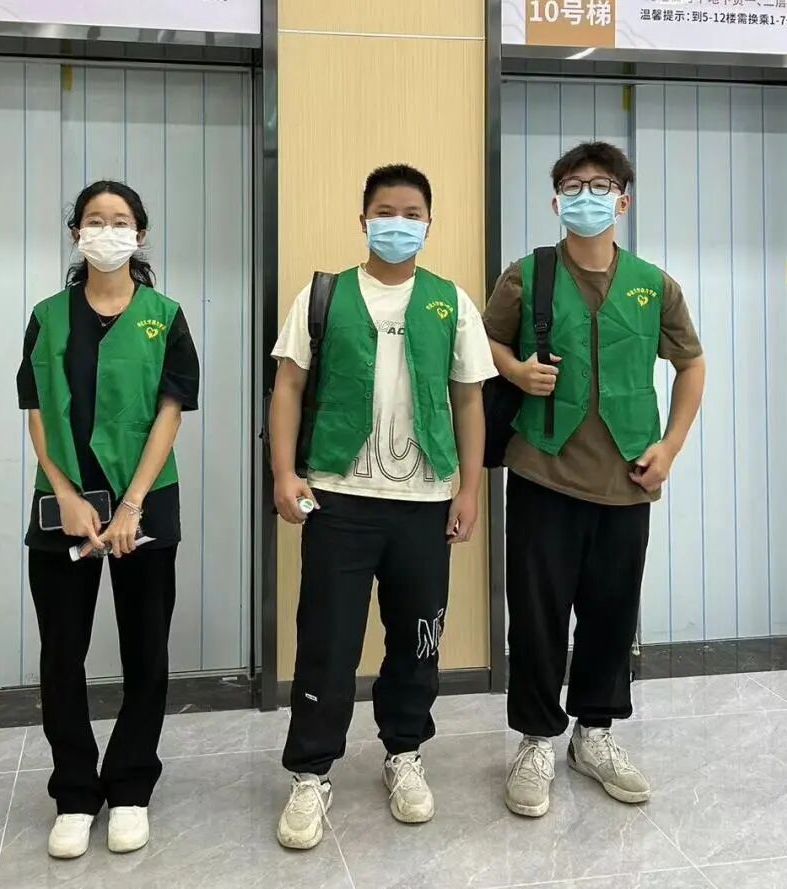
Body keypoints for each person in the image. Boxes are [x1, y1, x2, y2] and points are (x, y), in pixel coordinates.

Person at [270, 164, 496, 850]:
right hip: (337, 498)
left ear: (429, 224)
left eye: (412, 213)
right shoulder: (324, 294)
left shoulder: (450, 301)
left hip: (424, 502)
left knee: (417, 638)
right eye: (385, 212)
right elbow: (288, 387)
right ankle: (311, 771)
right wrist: (283, 472)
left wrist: (469, 489)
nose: (398, 223)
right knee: (327, 639)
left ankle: (404, 752)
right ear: (363, 219)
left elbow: (469, 400)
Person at [484, 142, 705, 817]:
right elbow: (485, 343)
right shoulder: (528, 275)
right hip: (543, 470)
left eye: (600, 185)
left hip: (626, 476)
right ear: (556, 201)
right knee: (538, 614)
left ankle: (595, 734)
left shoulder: (654, 284)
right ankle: (535, 740)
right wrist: (516, 370)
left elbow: (691, 364)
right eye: (573, 186)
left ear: (623, 200)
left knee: (611, 612)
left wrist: (670, 447)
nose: (587, 196)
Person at [16, 180, 200, 859]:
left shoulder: (165, 316)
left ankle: (129, 786)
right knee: (62, 653)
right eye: (94, 220)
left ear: (139, 235)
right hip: (62, 505)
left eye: (120, 221)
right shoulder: (47, 316)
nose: (107, 231)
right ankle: (73, 792)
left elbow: (171, 412)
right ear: (77, 234)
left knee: (145, 650)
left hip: (144, 502)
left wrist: (131, 505)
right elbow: (36, 410)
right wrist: (66, 492)